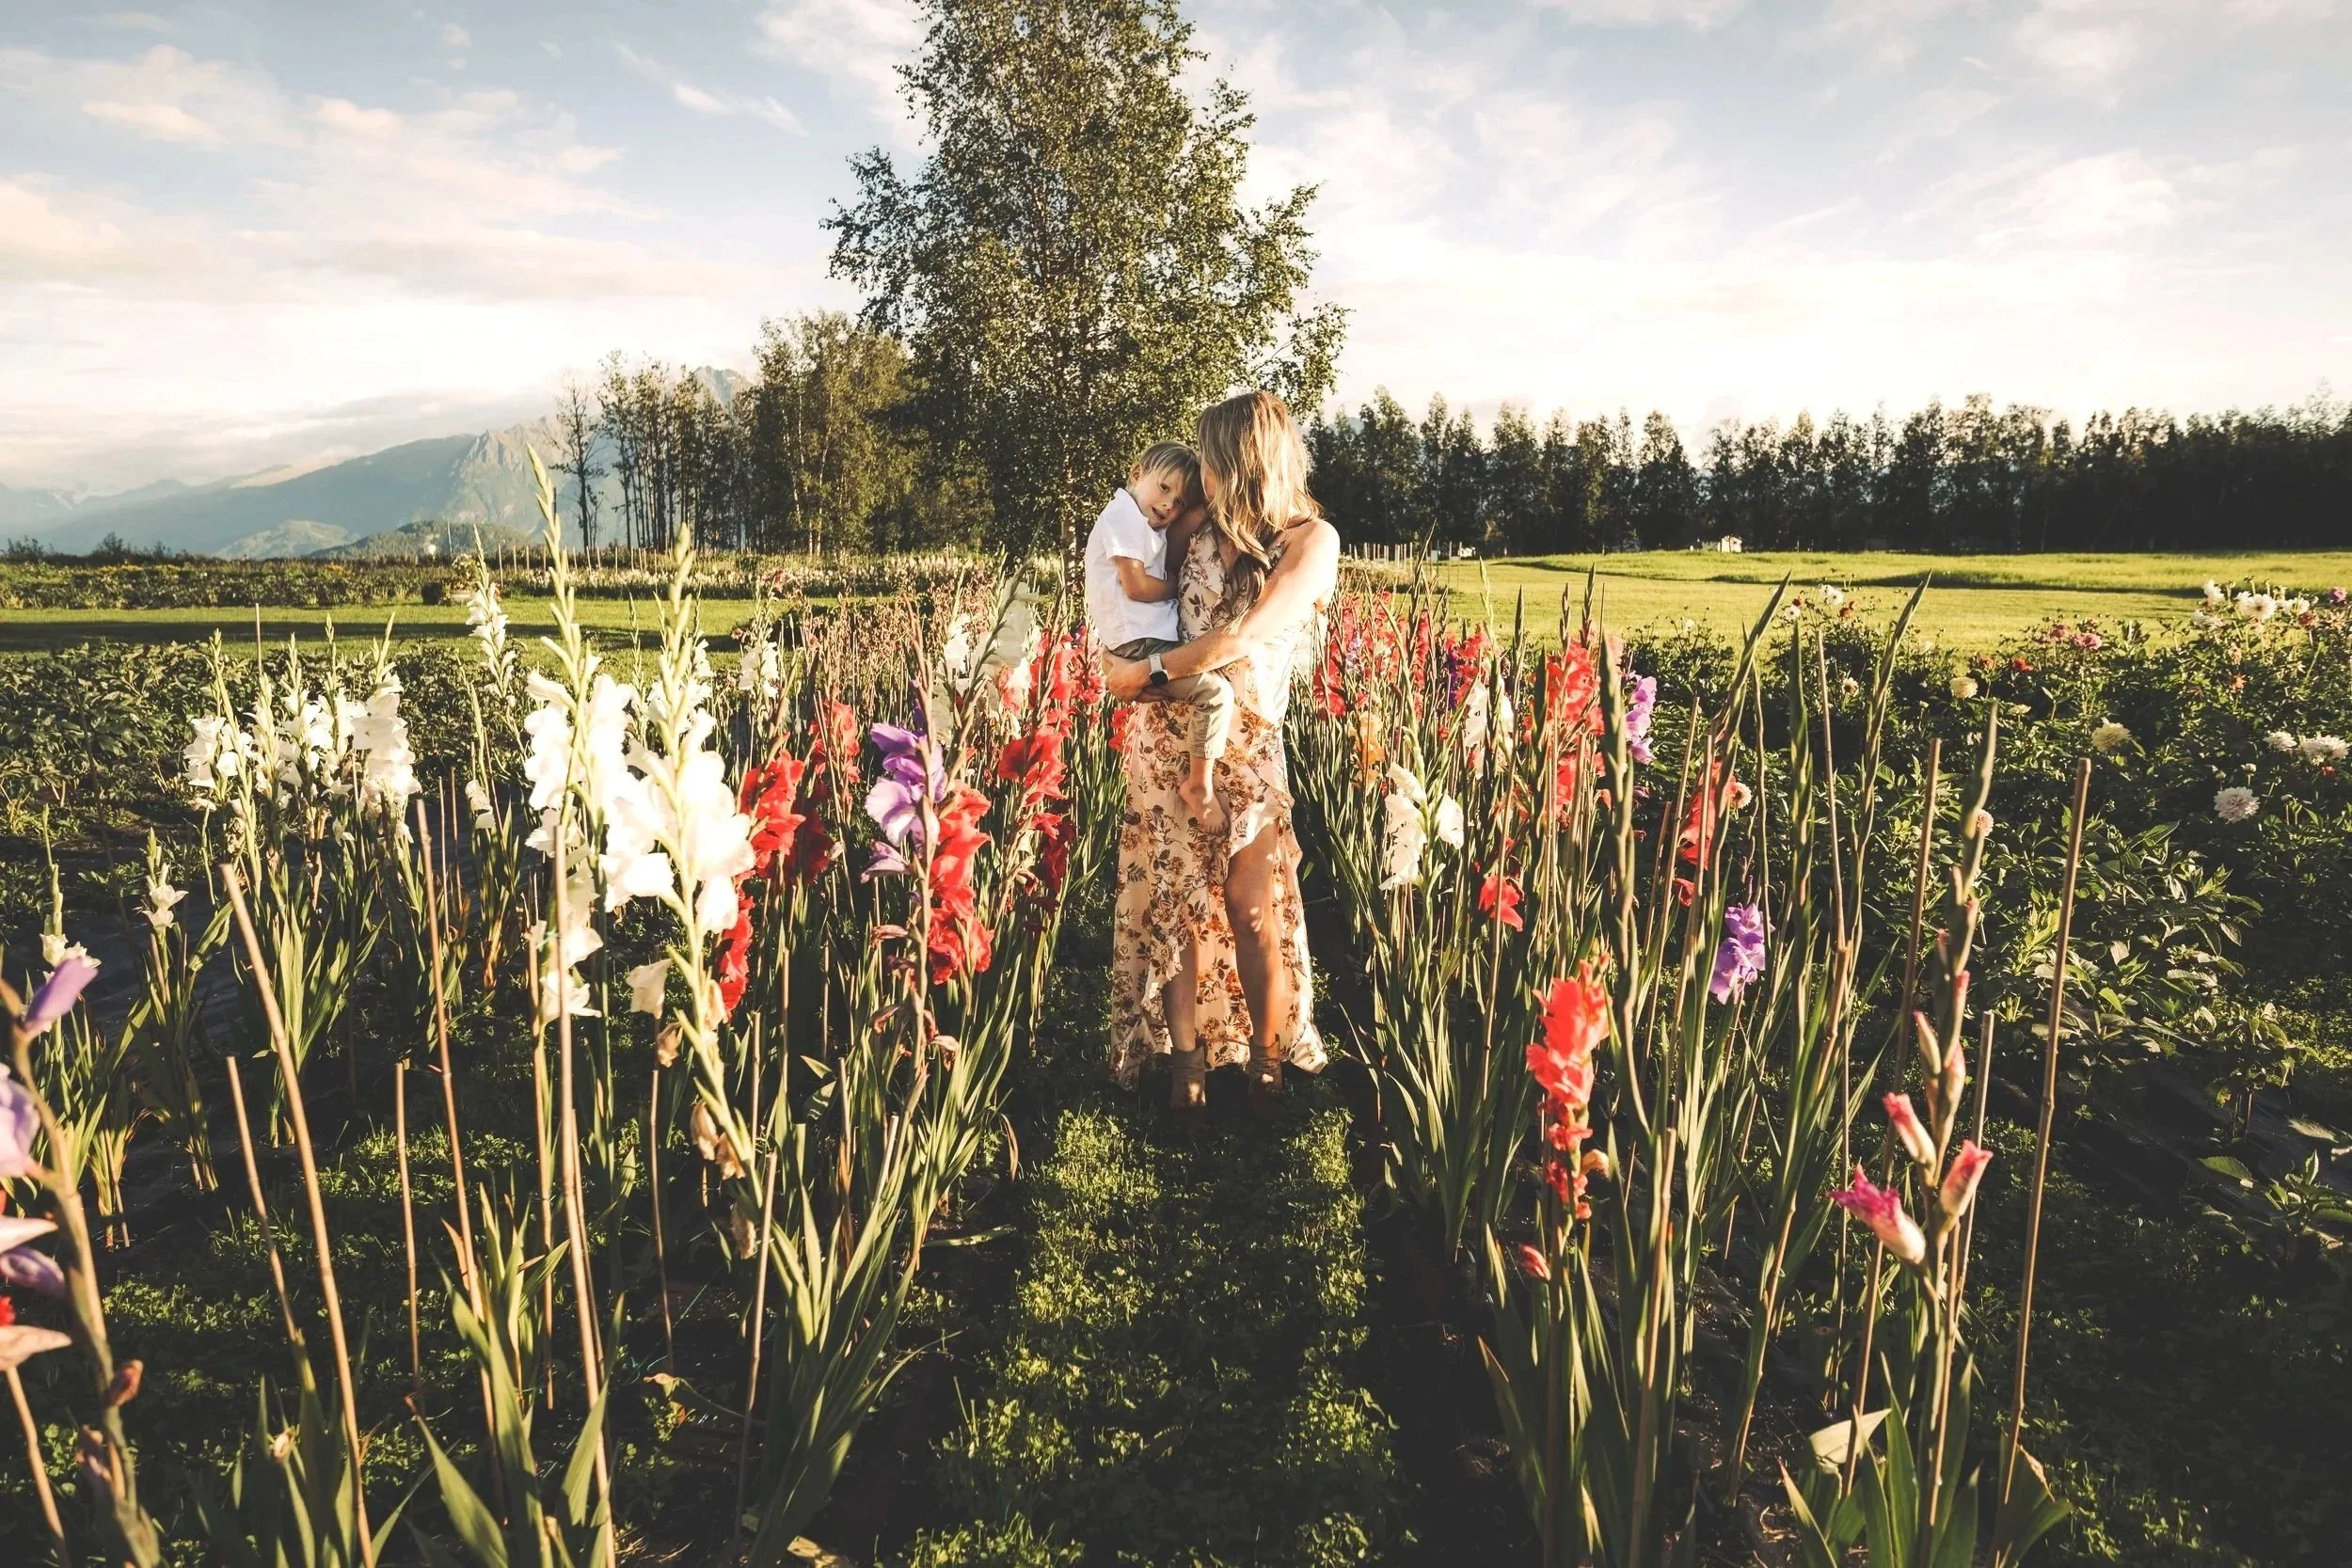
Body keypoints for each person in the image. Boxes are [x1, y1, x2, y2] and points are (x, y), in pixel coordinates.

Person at [1102, 391, 1342, 1121]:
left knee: (1250, 905)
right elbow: (1137, 597)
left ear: (1242, 460)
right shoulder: (1197, 527)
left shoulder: (1311, 540)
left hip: (1248, 743)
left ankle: (1266, 1066)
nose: (1201, 471)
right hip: (1170, 736)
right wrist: (1117, 655)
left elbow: (1242, 638)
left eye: (1211, 455)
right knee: (1176, 909)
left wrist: (1141, 677)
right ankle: (1187, 1068)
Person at [1082, 441, 1235, 832]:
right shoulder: (1122, 517)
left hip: (1141, 639)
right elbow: (1135, 586)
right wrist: (1177, 586)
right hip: (1141, 642)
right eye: (1164, 488)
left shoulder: (1142, 522)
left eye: (1179, 501)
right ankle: (1198, 785)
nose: (1169, 505)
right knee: (1216, 695)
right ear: (1137, 473)